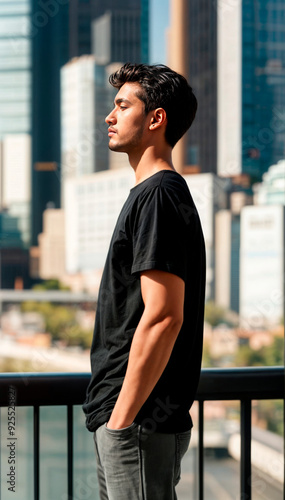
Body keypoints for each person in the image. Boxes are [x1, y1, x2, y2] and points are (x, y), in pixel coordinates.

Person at [82, 63, 206, 500]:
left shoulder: (157, 196)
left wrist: (121, 420)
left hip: (138, 423)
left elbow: (164, 317)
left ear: (156, 119)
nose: (109, 117)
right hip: (131, 421)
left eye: (122, 105)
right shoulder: (154, 195)